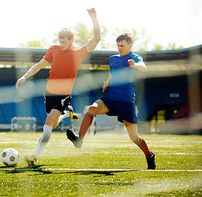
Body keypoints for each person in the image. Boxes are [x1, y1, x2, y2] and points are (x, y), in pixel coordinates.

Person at [15, 8, 101, 167]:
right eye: (59, 41)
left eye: (64, 42)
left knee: (48, 124)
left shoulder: (79, 52)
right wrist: (25, 76)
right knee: (53, 124)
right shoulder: (54, 49)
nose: (61, 44)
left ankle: (34, 157)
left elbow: (96, 39)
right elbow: (39, 65)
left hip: (63, 96)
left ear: (72, 40)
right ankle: (67, 112)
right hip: (49, 93)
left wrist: (94, 19)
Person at [66, 33, 156, 170]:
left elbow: (143, 67)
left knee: (135, 138)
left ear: (130, 45)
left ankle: (149, 155)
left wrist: (135, 64)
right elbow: (111, 75)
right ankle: (79, 139)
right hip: (110, 98)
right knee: (92, 108)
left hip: (126, 102)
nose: (119, 48)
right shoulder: (113, 59)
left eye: (122, 45)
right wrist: (107, 83)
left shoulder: (135, 58)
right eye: (118, 45)